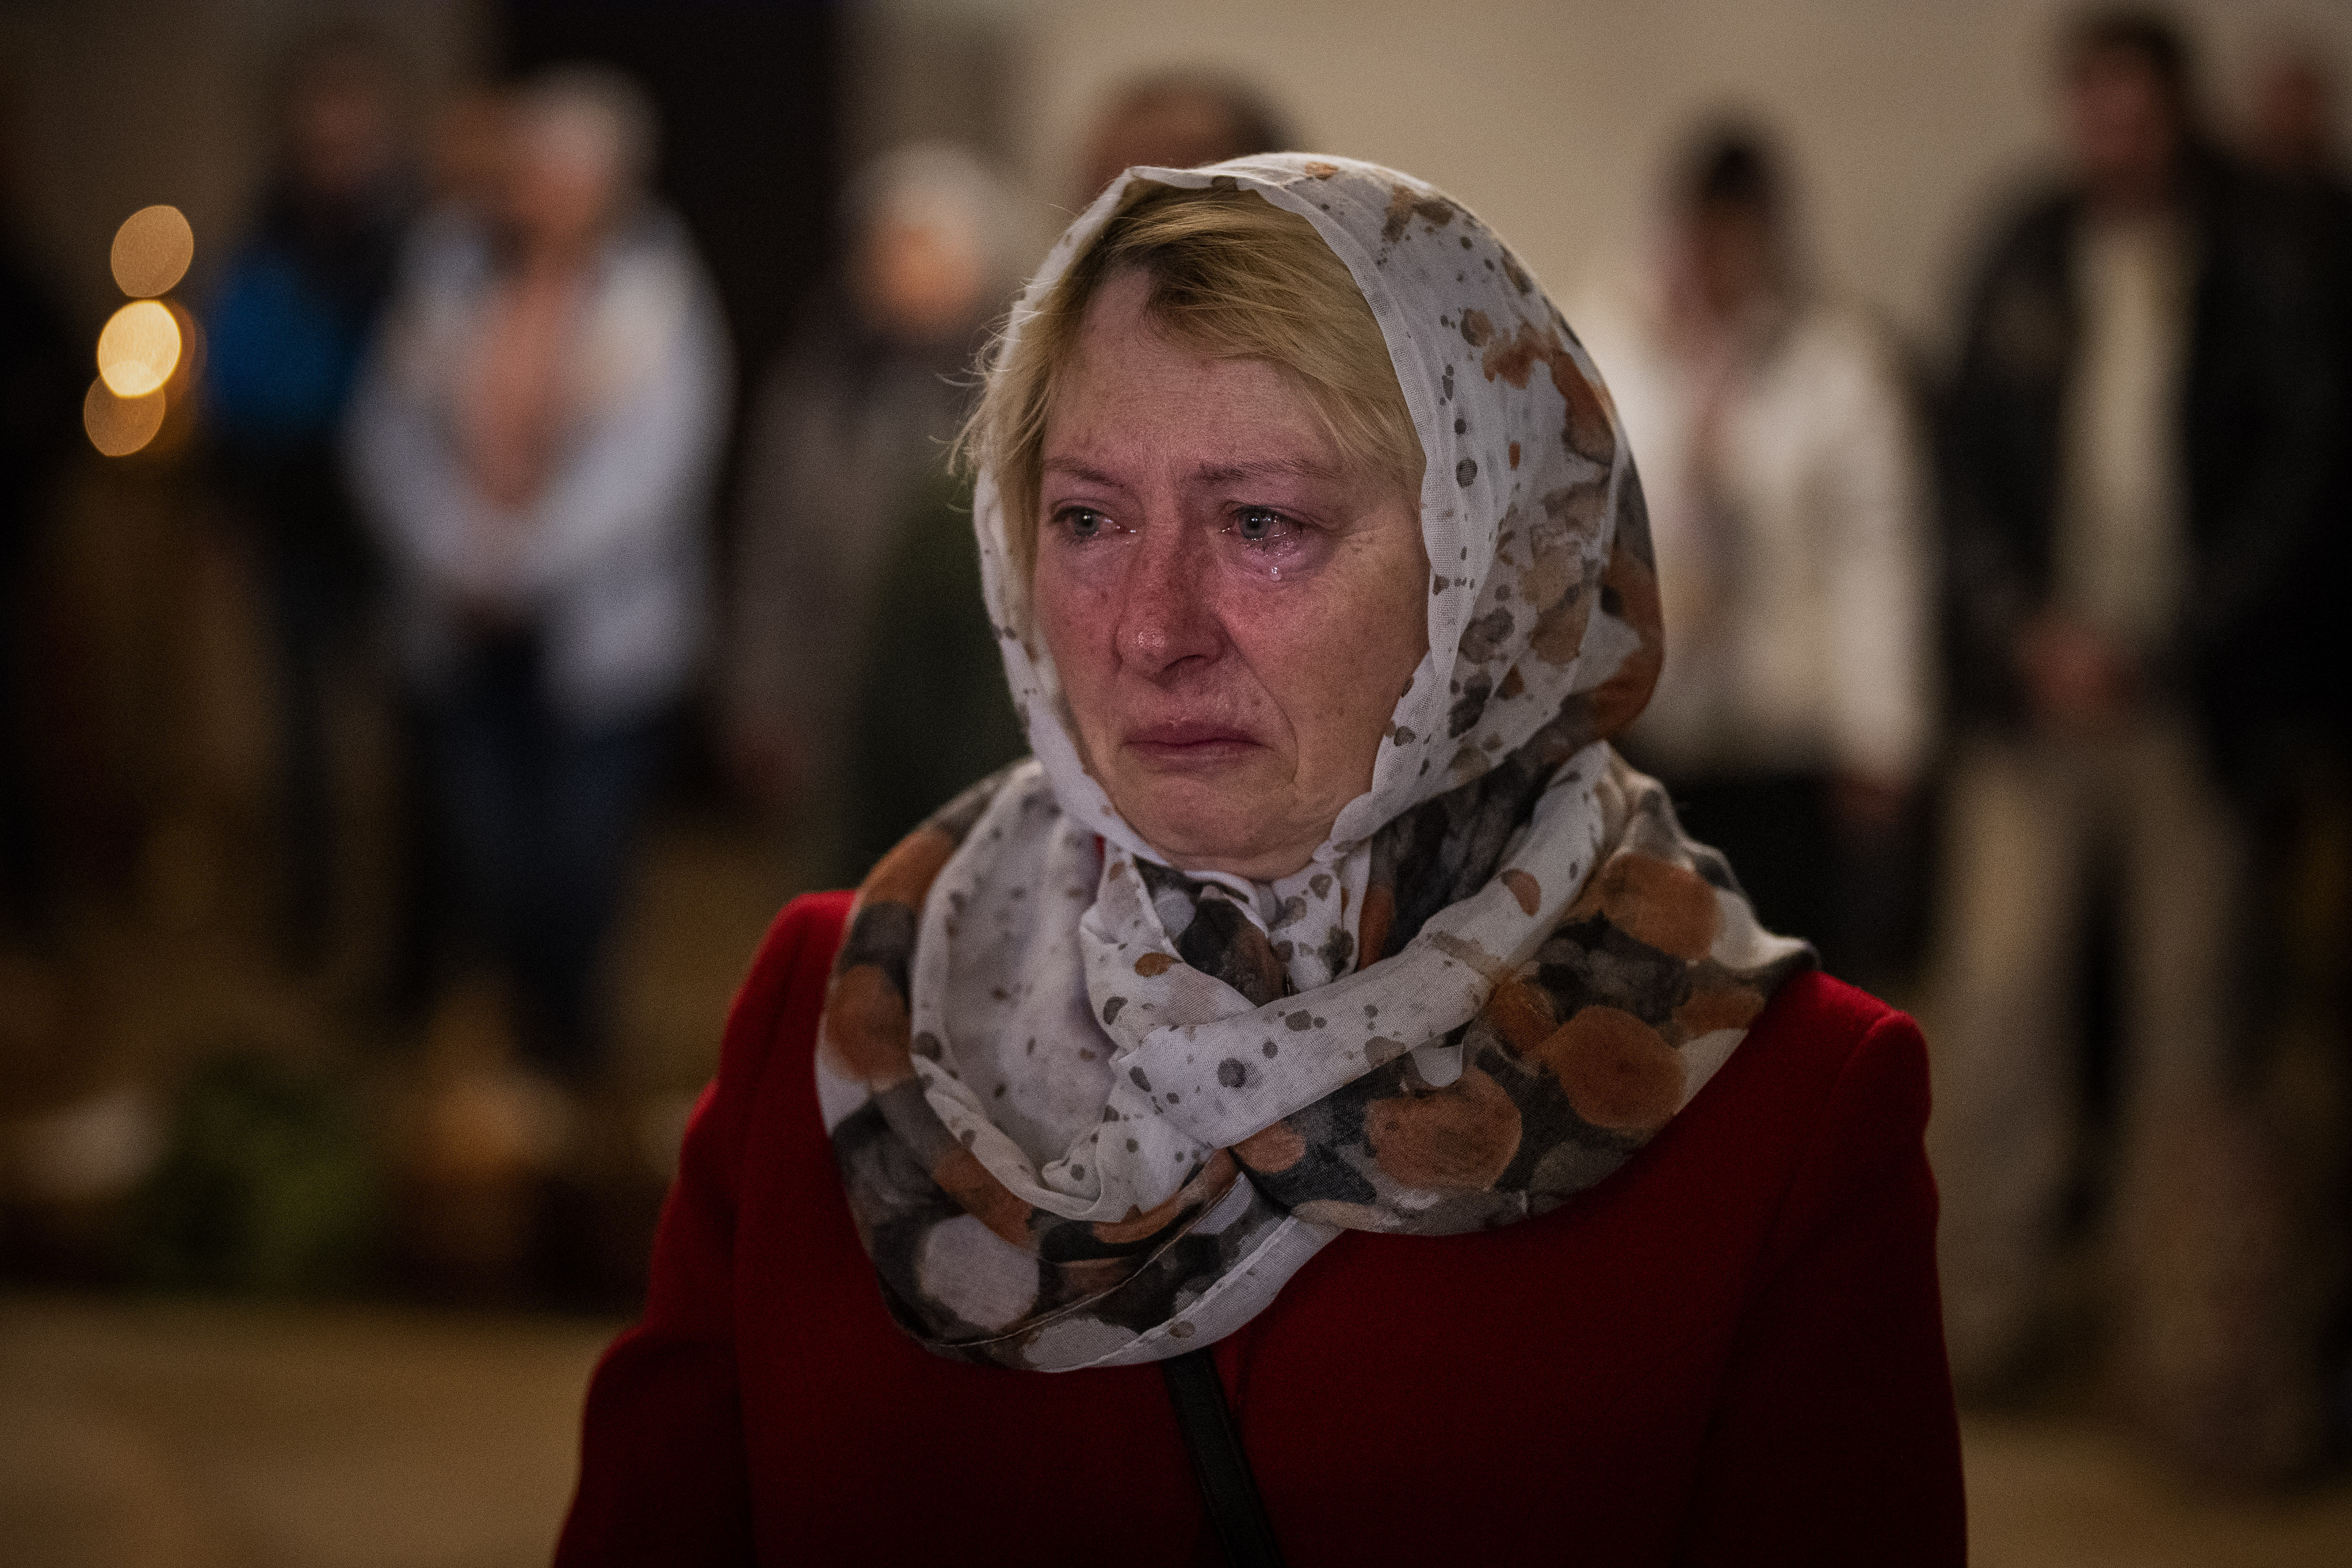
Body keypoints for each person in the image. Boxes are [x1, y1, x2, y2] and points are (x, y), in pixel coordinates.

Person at [558, 155, 1963, 1563]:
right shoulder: (849, 1011)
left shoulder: (1775, 1111)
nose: (1153, 628)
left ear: (1496, 572)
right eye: (1089, 519)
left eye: (1261, 522)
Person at [1931, 8, 2336, 1455]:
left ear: (2175, 113)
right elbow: (1962, 458)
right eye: (2090, 106)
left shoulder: (2258, 262)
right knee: (2002, 1003)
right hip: (2032, 702)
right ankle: (1982, 1328)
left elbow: (2299, 481)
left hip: (2192, 709)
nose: (2114, 133)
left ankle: (2187, 1361)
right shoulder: (2025, 249)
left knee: (2189, 1030)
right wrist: (2018, 624)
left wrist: (2175, 640)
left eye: (2136, 107)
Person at [347, 65, 730, 1088]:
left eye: (561, 172)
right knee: (488, 855)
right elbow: (387, 434)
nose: (536, 191)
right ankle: (523, 1051)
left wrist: (520, 561)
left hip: (597, 631)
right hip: (463, 623)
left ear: (611, 182)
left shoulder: (658, 295)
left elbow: (654, 466)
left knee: (580, 861)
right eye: (528, 171)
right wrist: (457, 551)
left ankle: (572, 1055)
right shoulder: (450, 275)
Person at [1574, 126, 1932, 995]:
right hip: (1654, 722)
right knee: (1654, 978)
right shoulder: (1610, 339)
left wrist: (1881, 730)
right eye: (1705, 229)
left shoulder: (1834, 359)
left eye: (1743, 232)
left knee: (1785, 971)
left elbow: (1876, 549)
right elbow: (1579, 525)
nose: (1721, 254)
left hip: (1785, 728)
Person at [722, 143, 1024, 889]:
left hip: (971, 717)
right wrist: (761, 697)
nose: (906, 272)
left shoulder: (1020, 391)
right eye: (890, 250)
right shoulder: (821, 386)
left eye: (928, 250)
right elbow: (774, 551)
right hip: (831, 706)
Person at [202, 29, 413, 971]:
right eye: (317, 132)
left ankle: (402, 936)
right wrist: (230, 499)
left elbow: (419, 388)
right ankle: (310, 914)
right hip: (293, 521)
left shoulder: (409, 243)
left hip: (387, 533)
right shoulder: (268, 234)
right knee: (301, 742)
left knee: (401, 743)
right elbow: (232, 376)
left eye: (349, 130)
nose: (333, 150)